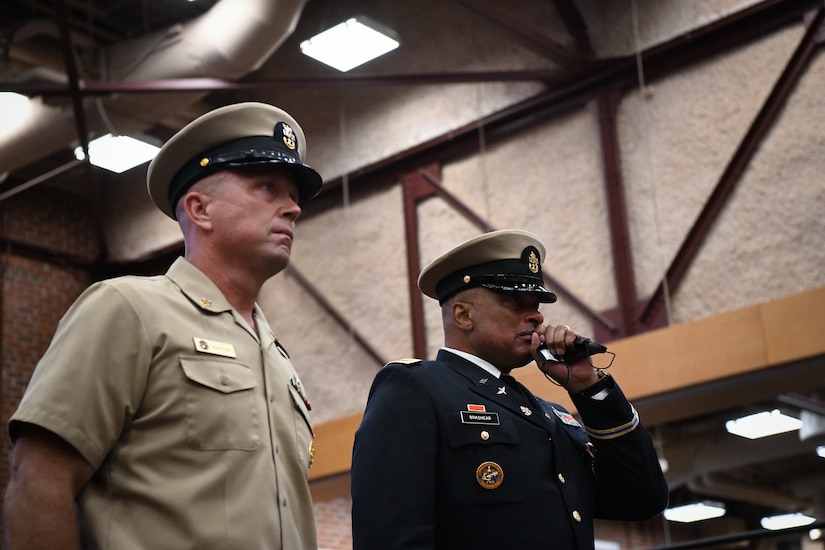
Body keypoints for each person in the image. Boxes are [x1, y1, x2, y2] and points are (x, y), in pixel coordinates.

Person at [3, 102, 323, 549]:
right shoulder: (128, 309)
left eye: (292, 196)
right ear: (200, 209)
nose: (292, 209)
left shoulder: (276, 356)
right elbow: (39, 482)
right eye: (267, 188)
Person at [351, 229, 669, 550]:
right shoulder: (417, 388)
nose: (536, 315)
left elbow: (642, 498)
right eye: (513, 301)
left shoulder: (552, 415)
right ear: (463, 315)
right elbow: (391, 537)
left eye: (536, 304)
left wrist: (589, 387)